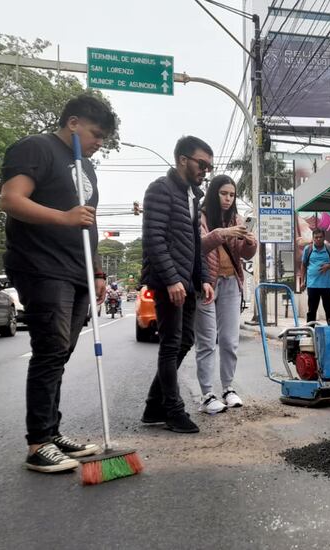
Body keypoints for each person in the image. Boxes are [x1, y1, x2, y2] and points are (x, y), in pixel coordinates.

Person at [0, 94, 116, 473]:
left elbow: (89, 224)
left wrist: (97, 272)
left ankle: (52, 432)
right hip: (41, 266)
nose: (100, 143)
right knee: (50, 350)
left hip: (76, 270)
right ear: (73, 123)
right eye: (96, 134)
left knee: (61, 352)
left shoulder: (87, 169)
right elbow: (10, 200)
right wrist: (63, 219)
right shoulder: (36, 148)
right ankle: (38, 444)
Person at [141, 136, 215, 434]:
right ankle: (172, 411)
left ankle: (152, 406)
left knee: (185, 341)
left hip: (187, 283)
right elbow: (154, 238)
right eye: (202, 164)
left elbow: (195, 244)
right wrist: (171, 279)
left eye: (209, 166)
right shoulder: (160, 189)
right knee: (171, 344)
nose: (205, 171)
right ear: (183, 160)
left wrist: (205, 279)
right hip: (167, 282)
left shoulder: (192, 196)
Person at [195, 175, 257, 414]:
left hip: (232, 282)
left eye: (231, 195)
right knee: (207, 341)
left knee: (230, 340)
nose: (228, 199)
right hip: (207, 283)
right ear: (214, 193)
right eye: (223, 193)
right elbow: (199, 245)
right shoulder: (201, 216)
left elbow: (245, 255)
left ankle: (228, 389)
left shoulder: (237, 218)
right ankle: (207, 394)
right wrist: (224, 232)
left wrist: (250, 241)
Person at [300, 228, 330, 324]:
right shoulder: (308, 249)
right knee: (311, 311)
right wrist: (302, 281)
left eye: (320, 237)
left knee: (329, 310)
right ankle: (310, 333)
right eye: (316, 237)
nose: (318, 239)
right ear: (313, 238)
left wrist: (329, 266)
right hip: (312, 285)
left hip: (327, 285)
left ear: (324, 238)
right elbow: (303, 265)